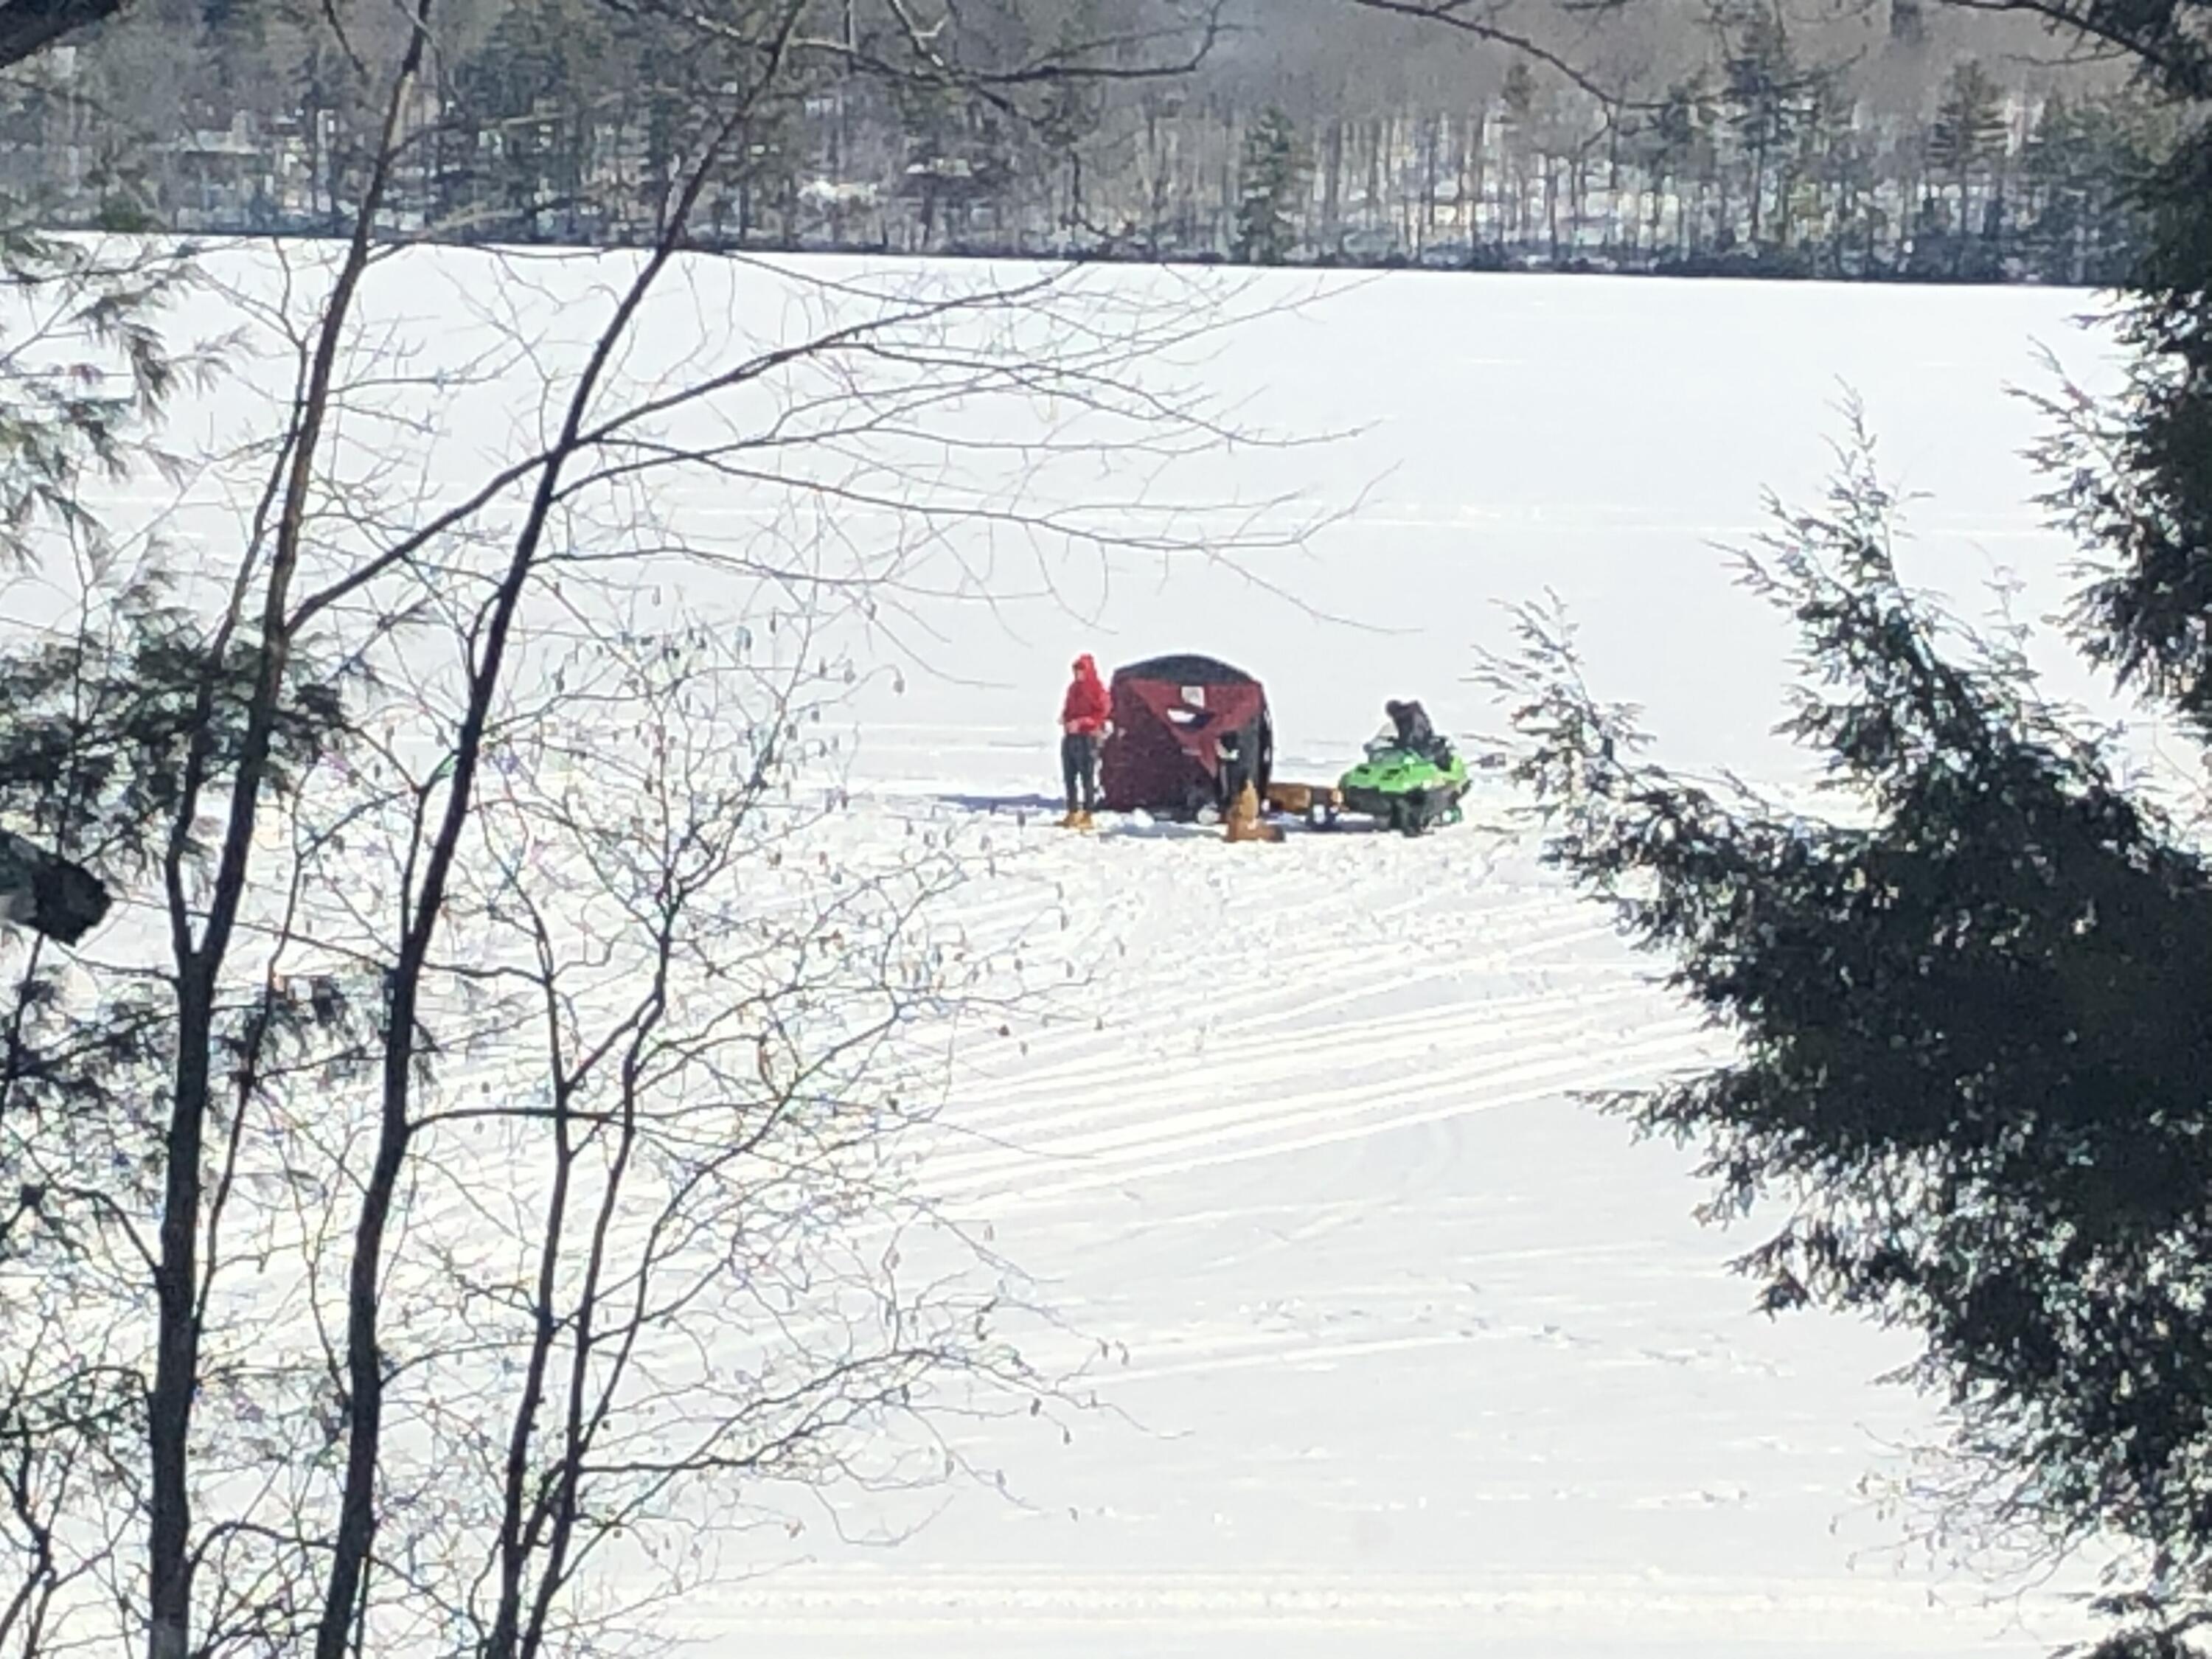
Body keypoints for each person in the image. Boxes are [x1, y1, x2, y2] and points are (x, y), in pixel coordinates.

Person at [1059, 653, 1110, 825]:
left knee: (1086, 777)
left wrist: (1082, 723)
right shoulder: (1073, 689)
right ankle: (1072, 811)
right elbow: (1068, 709)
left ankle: (1088, 813)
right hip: (1071, 737)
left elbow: (1102, 713)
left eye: (1081, 670)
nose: (1078, 674)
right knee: (1069, 775)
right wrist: (1066, 719)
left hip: (1088, 738)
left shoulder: (1097, 689)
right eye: (1076, 671)